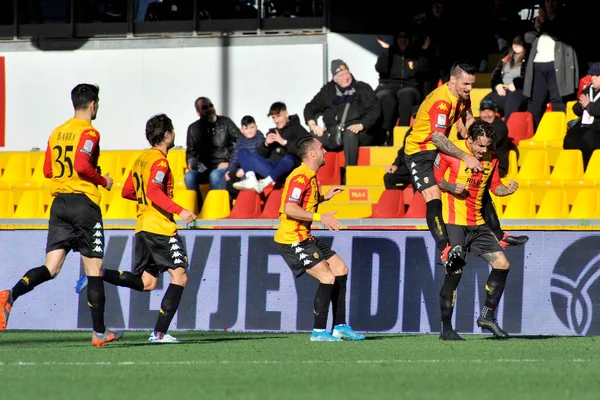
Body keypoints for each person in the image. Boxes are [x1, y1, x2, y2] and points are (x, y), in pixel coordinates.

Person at [0, 83, 121, 346]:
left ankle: (11, 294)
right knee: (95, 269)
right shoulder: (89, 132)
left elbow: (47, 170)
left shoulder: (57, 132)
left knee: (51, 267)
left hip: (59, 205)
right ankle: (99, 332)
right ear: (93, 104)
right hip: (83, 204)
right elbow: (81, 164)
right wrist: (103, 180)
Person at [75, 114, 197, 343]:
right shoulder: (160, 162)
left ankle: (99, 274)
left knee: (147, 282)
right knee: (179, 276)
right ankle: (159, 334)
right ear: (168, 134)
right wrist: (180, 211)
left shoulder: (141, 159)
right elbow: (152, 191)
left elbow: (127, 191)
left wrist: (146, 200)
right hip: (159, 226)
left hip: (142, 227)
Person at [404, 62, 527, 272]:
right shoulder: (442, 102)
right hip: (420, 152)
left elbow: (467, 121)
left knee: (479, 181)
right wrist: (465, 156)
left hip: (438, 147)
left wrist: (482, 142)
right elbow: (437, 137)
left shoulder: (463, 95)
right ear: (452, 80)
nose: (470, 88)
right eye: (466, 84)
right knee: (433, 195)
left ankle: (499, 235)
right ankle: (444, 248)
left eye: (472, 84)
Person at [274, 136, 365, 342]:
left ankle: (340, 326)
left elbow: (302, 203)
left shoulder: (311, 177)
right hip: (292, 239)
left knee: (340, 269)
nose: (325, 151)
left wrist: (324, 198)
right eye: (322, 148)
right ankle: (318, 332)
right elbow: (289, 208)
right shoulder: (300, 177)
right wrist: (320, 217)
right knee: (327, 277)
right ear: (312, 153)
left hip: (305, 236)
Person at [434, 119, 518, 340]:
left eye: (487, 146)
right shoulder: (450, 152)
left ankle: (487, 317)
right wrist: (452, 187)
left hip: (478, 224)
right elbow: (437, 181)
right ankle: (446, 329)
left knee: (502, 264)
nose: (483, 151)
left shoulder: (492, 158)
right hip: (453, 222)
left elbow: (495, 187)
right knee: (455, 273)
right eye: (480, 146)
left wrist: (507, 190)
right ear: (468, 140)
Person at [304, 59, 381, 184]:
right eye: (341, 75)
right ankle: (312, 175)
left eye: (347, 73)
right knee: (311, 138)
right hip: (334, 133)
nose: (345, 77)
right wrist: (313, 125)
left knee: (350, 134)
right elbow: (310, 107)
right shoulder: (328, 91)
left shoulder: (362, 88)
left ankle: (349, 174)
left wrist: (362, 124)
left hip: (360, 132)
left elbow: (375, 109)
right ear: (334, 79)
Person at [233, 102, 309, 194]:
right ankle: (251, 179)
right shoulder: (272, 132)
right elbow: (260, 156)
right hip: (271, 169)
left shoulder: (298, 129)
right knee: (243, 152)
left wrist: (284, 143)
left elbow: (306, 151)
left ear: (286, 114)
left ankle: (264, 183)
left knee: (290, 158)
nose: (276, 120)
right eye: (273, 117)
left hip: (288, 172)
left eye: (278, 116)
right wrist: (266, 144)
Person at [184, 97, 241, 208]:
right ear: (198, 112)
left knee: (215, 175)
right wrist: (191, 163)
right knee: (189, 176)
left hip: (223, 165)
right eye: (205, 107)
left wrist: (230, 162)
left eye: (211, 105)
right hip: (204, 167)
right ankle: (198, 208)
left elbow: (241, 141)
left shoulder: (226, 123)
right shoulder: (193, 128)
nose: (210, 109)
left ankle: (215, 208)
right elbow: (190, 152)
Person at [375, 31, 429, 143]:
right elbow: (381, 68)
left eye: (405, 37)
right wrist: (386, 50)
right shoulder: (390, 52)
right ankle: (387, 134)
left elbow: (424, 68)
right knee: (386, 96)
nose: (403, 40)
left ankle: (402, 133)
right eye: (400, 37)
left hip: (410, 86)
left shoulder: (415, 53)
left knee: (406, 94)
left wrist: (423, 51)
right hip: (390, 86)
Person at [482, 35, 528, 122]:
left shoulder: (528, 58)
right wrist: (497, 86)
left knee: (511, 102)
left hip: (520, 90)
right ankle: (487, 130)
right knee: (486, 102)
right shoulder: (507, 58)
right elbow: (495, 75)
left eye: (519, 43)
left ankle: (508, 130)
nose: (516, 45)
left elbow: (529, 77)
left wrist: (516, 84)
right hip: (505, 89)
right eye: (514, 43)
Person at [563, 62, 600, 169]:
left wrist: (589, 105)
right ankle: (573, 168)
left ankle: (589, 168)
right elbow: (576, 108)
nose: (593, 78)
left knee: (589, 140)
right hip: (584, 124)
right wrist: (582, 107)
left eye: (597, 76)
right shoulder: (588, 89)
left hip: (597, 126)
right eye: (592, 75)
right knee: (569, 139)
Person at [225, 115, 265, 200]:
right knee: (228, 177)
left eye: (252, 127)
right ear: (242, 130)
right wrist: (229, 170)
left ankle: (245, 202)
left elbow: (259, 157)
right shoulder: (240, 141)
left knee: (245, 177)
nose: (249, 131)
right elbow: (235, 158)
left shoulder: (260, 139)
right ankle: (231, 202)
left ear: (256, 127)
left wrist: (245, 169)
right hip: (242, 169)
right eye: (246, 128)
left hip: (255, 170)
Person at [477, 99, 509, 177]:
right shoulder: (476, 122)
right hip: (479, 163)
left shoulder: (500, 126)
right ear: (480, 113)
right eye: (484, 111)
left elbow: (490, 142)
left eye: (489, 111)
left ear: (495, 112)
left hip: (497, 166)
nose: (486, 115)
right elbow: (461, 136)